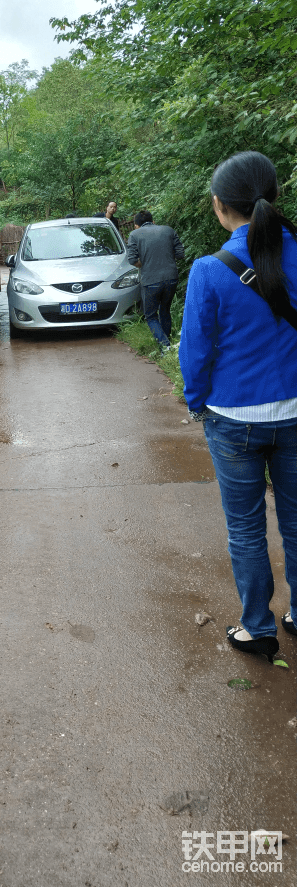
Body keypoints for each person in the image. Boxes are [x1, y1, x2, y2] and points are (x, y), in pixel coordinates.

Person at [179, 150, 297, 664]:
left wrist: (197, 402)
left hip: (233, 420)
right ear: (272, 198)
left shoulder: (210, 270)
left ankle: (257, 628)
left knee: (246, 526)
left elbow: (195, 350)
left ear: (220, 207)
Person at [126, 210, 185, 350]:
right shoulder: (168, 230)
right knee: (165, 310)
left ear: (136, 225)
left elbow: (133, 259)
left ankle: (165, 346)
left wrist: (144, 264)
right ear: (153, 221)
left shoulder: (134, 234)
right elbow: (180, 254)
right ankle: (167, 342)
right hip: (171, 278)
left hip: (150, 281)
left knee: (151, 316)